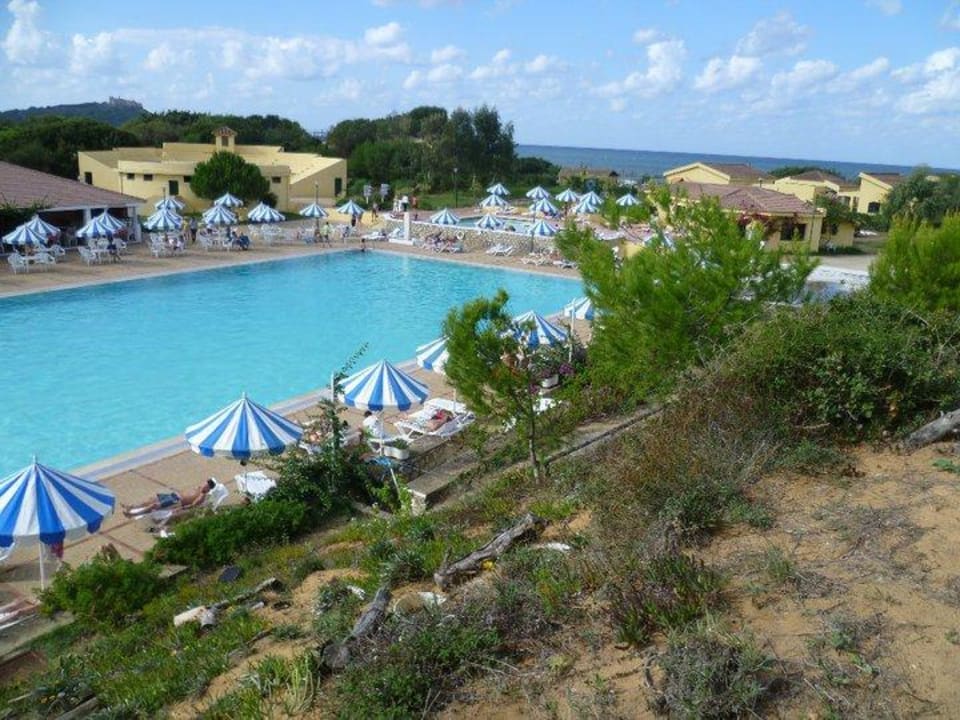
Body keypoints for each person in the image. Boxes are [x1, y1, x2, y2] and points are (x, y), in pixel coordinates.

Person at [123, 479, 216, 517]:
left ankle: (132, 515)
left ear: (208, 488)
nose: (203, 485)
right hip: (174, 495)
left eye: (206, 485)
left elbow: (193, 505)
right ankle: (131, 507)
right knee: (152, 499)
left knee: (154, 505)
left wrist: (181, 508)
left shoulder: (202, 496)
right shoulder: (199, 488)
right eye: (204, 483)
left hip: (176, 501)